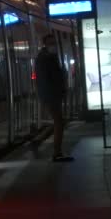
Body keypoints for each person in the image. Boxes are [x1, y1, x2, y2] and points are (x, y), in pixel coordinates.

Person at [35, 34, 73, 162]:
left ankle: (37, 141)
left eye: (54, 43)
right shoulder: (45, 58)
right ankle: (57, 153)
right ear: (45, 44)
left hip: (52, 95)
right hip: (51, 95)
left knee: (59, 122)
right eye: (51, 43)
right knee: (59, 122)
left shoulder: (47, 57)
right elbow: (48, 79)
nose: (53, 46)